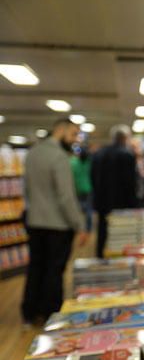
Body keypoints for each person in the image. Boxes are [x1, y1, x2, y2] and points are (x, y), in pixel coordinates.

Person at [22, 118, 88, 326]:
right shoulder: (59, 157)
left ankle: (29, 312)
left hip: (35, 222)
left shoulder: (32, 153)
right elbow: (65, 196)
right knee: (54, 270)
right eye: (73, 134)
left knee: (35, 267)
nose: (75, 139)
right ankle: (51, 313)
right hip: (58, 225)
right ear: (61, 129)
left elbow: (27, 190)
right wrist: (79, 224)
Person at [91, 124, 138, 258]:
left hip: (102, 202)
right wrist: (134, 204)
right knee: (121, 236)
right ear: (125, 138)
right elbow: (130, 183)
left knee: (102, 233)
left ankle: (99, 257)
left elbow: (93, 178)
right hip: (122, 204)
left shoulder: (98, 154)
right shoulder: (127, 155)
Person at [70, 144, 93, 232]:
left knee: (77, 209)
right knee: (88, 211)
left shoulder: (73, 162)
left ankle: (78, 227)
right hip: (88, 189)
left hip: (77, 189)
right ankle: (88, 228)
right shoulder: (89, 163)